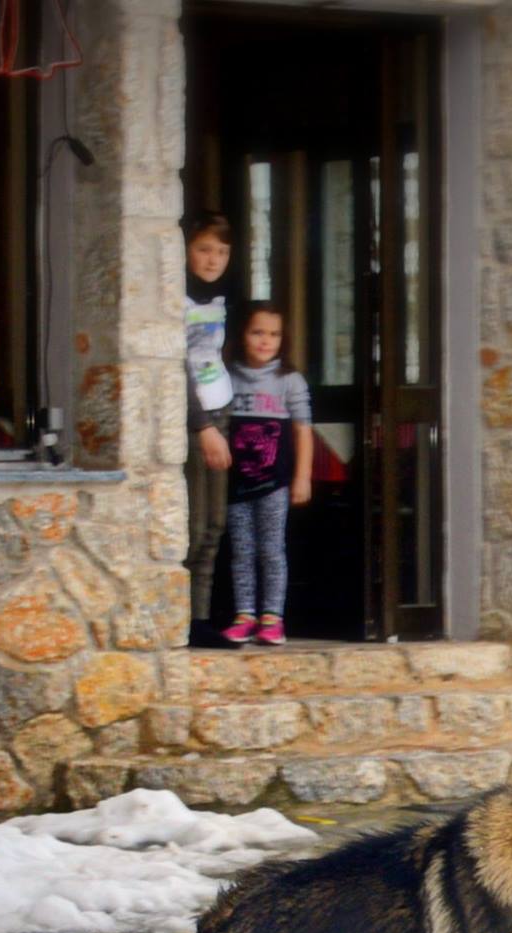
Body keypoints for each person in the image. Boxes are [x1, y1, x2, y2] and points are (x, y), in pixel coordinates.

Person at [219, 303, 313, 646]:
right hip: (236, 482)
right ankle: (245, 614)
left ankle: (273, 617)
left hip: (274, 482)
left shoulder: (289, 380)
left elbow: (303, 430)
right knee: (242, 550)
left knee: (271, 549)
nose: (265, 341)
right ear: (242, 335)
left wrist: (302, 477)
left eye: (273, 334)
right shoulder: (228, 375)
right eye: (257, 332)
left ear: (283, 340)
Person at [183, 212, 233, 631]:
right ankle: (183, 619)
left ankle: (201, 618)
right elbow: (176, 366)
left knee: (216, 523)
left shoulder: (222, 298)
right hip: (197, 417)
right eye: (203, 249)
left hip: (222, 407)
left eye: (221, 251)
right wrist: (203, 426)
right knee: (195, 525)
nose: (213, 259)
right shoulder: (175, 299)